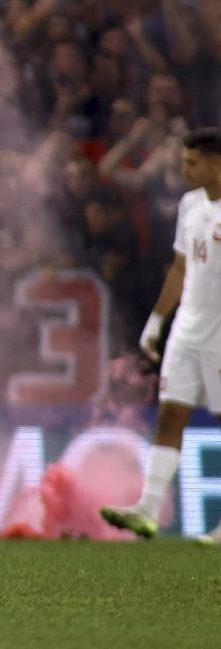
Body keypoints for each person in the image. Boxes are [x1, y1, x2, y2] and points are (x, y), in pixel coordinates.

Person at [101, 128, 221, 542]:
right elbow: (179, 267)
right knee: (171, 412)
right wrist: (157, 320)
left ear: (215, 163)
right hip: (187, 329)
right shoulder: (190, 204)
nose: (183, 169)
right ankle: (148, 509)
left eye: (191, 162)